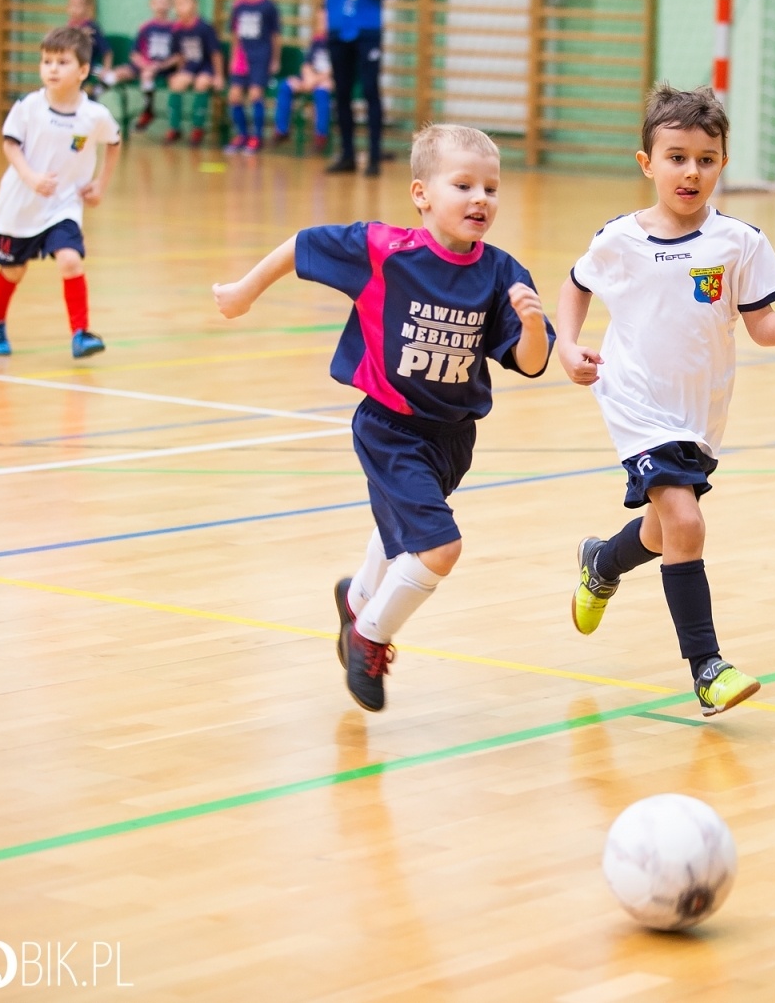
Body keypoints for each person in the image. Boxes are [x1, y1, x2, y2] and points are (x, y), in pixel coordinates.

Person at [211, 124, 553, 712]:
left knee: (408, 535)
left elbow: (532, 362)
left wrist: (528, 325)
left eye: (491, 189)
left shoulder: (503, 274)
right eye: (463, 185)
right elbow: (302, 246)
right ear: (421, 193)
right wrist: (244, 290)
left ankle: (358, 596)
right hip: (389, 427)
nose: (481, 199)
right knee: (439, 547)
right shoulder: (382, 249)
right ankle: (369, 634)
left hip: (453, 436)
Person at [555, 84, 775, 717]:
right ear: (647, 162)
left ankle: (602, 561)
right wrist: (568, 345)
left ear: (722, 164)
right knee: (686, 521)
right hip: (634, 401)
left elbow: (762, 327)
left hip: (700, 415)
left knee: (663, 529)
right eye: (676, 157)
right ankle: (707, 666)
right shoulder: (619, 239)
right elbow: (575, 286)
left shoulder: (741, 243)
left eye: (705, 158)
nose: (691, 171)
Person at [0, 26, 120, 360]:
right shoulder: (29, 106)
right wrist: (30, 177)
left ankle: (80, 334)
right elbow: (10, 144)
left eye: (62, 62)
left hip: (63, 204)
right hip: (22, 204)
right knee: (13, 270)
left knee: (70, 261)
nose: (53, 68)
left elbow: (115, 143)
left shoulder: (94, 115)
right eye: (47, 61)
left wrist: (101, 184)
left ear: (83, 71)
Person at [274, 0, 407, 176]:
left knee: (369, 90)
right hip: (337, 31)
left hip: (367, 30)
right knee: (342, 92)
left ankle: (374, 157)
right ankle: (347, 155)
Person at [225, 0, 282, 156]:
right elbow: (235, 35)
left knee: (256, 95)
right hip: (242, 56)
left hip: (261, 56)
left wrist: (275, 60)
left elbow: (275, 36)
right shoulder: (238, 5)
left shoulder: (268, 6)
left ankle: (256, 136)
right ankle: (241, 135)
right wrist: (233, 58)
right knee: (234, 96)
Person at [165, 0, 223, 147]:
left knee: (202, 83)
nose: (181, 7)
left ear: (195, 4)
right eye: (177, 4)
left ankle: (198, 127)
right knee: (176, 83)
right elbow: (179, 55)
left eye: (185, 2)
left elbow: (215, 53)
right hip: (190, 66)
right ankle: (174, 127)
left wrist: (219, 76)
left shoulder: (205, 27)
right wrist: (177, 72)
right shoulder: (177, 29)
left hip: (206, 66)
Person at [119, 0, 179, 131]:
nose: (161, 4)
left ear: (170, 4)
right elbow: (134, 53)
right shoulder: (145, 27)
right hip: (145, 66)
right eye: (157, 0)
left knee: (149, 75)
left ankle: (149, 111)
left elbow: (179, 56)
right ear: (151, 4)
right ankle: (93, 104)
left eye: (164, 0)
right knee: (118, 74)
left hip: (165, 69)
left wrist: (161, 65)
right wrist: (145, 64)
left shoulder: (176, 28)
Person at [275, 8, 333, 152]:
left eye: (325, 20)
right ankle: (282, 131)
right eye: (319, 20)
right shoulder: (317, 40)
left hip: (326, 80)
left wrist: (315, 80)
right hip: (311, 78)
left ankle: (321, 136)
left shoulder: (338, 42)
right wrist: (308, 78)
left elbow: (336, 69)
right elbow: (306, 64)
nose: (321, 24)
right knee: (286, 85)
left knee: (322, 92)